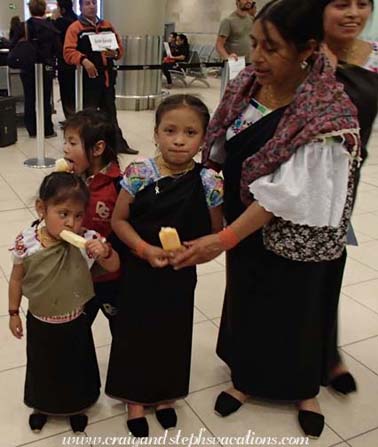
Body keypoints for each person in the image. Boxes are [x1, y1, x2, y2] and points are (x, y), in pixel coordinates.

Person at [171, 0, 361, 439]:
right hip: (243, 219)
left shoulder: (326, 111)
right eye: (254, 42)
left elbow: (290, 194)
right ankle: (246, 380)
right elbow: (219, 141)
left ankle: (301, 389)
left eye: (271, 47)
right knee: (248, 297)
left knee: (294, 307)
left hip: (295, 233)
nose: (256, 56)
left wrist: (223, 239)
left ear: (307, 49)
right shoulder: (247, 85)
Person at [105, 94, 224, 437]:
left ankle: (166, 394)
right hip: (140, 269)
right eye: (170, 130)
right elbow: (119, 220)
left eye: (190, 132)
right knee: (135, 331)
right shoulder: (140, 172)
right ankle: (135, 398)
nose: (179, 140)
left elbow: (215, 233)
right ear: (156, 133)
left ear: (204, 139)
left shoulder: (209, 182)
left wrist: (197, 252)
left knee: (173, 331)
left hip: (181, 272)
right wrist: (143, 249)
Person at [8, 172, 120, 433]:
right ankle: (41, 405)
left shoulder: (88, 240)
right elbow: (16, 280)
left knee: (75, 366)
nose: (72, 223)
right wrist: (13, 313)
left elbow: (113, 266)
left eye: (78, 215)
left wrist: (105, 252)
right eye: (63, 214)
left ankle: (76, 406)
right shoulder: (28, 242)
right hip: (39, 319)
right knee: (41, 365)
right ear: (41, 209)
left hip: (74, 320)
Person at [62, 109, 122, 334]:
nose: (65, 148)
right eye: (65, 141)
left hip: (109, 277)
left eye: (72, 142)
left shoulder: (119, 187)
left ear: (97, 148)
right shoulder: (70, 183)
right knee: (76, 330)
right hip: (78, 277)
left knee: (121, 328)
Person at [63, 0, 138, 155]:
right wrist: (83, 60)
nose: (91, 6)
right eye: (87, 3)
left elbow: (119, 48)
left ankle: (118, 145)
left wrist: (115, 53)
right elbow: (68, 52)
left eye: (94, 3)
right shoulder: (75, 28)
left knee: (110, 113)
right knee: (89, 116)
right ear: (81, 7)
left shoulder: (107, 26)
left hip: (107, 78)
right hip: (87, 80)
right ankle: (88, 147)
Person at [323, 0, 378, 201]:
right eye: (342, 5)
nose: (353, 13)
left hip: (347, 175)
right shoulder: (298, 53)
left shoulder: (374, 55)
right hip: (294, 177)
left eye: (362, 4)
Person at [10, 0, 60, 138]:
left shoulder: (24, 26)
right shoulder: (51, 27)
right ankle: (47, 129)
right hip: (46, 67)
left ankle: (32, 129)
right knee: (45, 98)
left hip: (27, 68)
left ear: (30, 9)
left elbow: (12, 44)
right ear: (44, 9)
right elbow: (57, 49)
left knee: (29, 97)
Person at [54, 0, 77, 119]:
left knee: (66, 92)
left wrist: (54, 18)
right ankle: (77, 116)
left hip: (64, 62)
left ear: (62, 9)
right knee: (76, 90)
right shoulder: (77, 20)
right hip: (78, 62)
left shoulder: (59, 22)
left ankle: (69, 117)